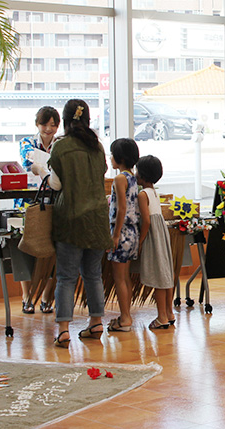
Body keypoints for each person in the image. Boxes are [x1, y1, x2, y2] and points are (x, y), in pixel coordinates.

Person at [42, 100, 112, 347]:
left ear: (65, 120)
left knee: (66, 277)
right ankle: (96, 323)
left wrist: (43, 173)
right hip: (97, 220)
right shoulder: (97, 147)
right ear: (88, 119)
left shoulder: (61, 147)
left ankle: (63, 330)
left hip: (70, 220)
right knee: (93, 274)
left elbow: (57, 185)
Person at [20, 106, 60, 314]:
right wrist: (43, 170)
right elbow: (30, 163)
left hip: (54, 199)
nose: (49, 129)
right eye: (45, 124)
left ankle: (46, 298)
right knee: (27, 248)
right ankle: (27, 297)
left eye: (53, 124)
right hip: (30, 201)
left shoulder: (60, 144)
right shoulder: (27, 142)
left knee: (53, 249)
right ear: (37, 124)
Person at [135, 155, 175, 330]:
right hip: (161, 235)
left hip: (152, 237)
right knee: (166, 276)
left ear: (142, 175)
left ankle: (162, 317)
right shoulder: (154, 193)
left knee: (159, 278)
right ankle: (169, 312)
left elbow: (146, 221)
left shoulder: (143, 194)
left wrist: (140, 241)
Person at [106, 138, 140, 333]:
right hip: (132, 231)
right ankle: (126, 315)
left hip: (123, 231)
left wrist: (115, 234)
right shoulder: (133, 177)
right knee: (125, 277)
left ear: (119, 158)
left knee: (119, 278)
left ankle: (125, 317)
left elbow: (121, 208)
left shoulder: (120, 179)